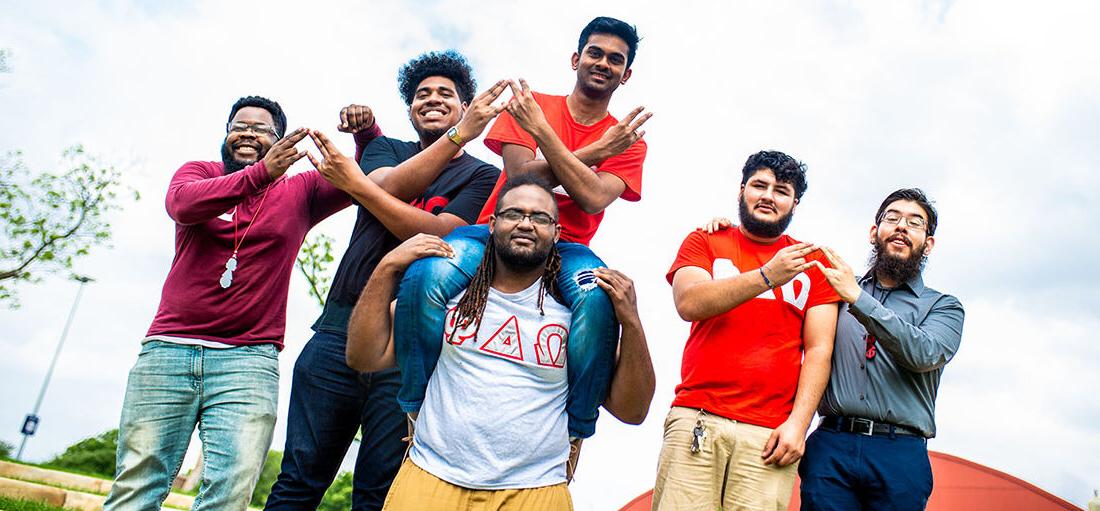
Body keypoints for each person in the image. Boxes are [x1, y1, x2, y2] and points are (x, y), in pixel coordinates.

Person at [394, 16, 652, 450]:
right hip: (495, 230)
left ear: (626, 75)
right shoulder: (532, 105)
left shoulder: (629, 141)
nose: (603, 63)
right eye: (595, 53)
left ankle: (576, 433)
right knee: (425, 276)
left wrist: (547, 137)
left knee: (597, 301)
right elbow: (520, 180)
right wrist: (597, 152)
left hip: (567, 247)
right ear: (576, 59)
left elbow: (591, 198)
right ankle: (414, 406)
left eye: (615, 59)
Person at [265, 51, 506, 510]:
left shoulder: (484, 174)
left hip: (410, 342)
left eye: (446, 94)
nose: (432, 100)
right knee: (297, 482)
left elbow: (447, 239)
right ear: (410, 108)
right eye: (421, 95)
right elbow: (388, 187)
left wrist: (360, 188)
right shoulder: (386, 150)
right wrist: (454, 139)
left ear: (466, 105)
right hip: (336, 332)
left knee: (378, 493)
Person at [346, 175, 654, 510]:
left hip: (533, 490)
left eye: (540, 218)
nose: (526, 224)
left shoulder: (577, 316)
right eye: (513, 214)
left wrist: (631, 321)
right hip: (431, 477)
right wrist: (387, 267)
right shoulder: (447, 299)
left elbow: (633, 411)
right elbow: (363, 356)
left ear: (557, 233)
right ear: (492, 223)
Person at [104, 96, 353, 510]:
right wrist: (259, 174)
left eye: (261, 129)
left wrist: (364, 136)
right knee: (139, 481)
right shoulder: (199, 173)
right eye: (240, 126)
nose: (248, 134)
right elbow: (181, 206)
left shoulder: (301, 191)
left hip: (249, 360)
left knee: (231, 489)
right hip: (168, 349)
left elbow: (361, 181)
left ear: (279, 141)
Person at [653, 150, 841, 510]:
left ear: (794, 204)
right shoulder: (705, 240)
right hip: (698, 416)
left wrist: (799, 426)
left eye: (782, 190)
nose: (769, 195)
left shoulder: (813, 264)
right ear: (742, 191)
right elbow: (689, 303)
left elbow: (820, 350)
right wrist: (768, 275)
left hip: (770, 433)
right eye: (760, 185)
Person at [799, 188, 965, 511]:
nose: (902, 226)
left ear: (928, 244)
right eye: (893, 218)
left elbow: (925, 353)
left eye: (915, 223)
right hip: (832, 446)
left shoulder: (944, 307)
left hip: (900, 452)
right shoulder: (835, 294)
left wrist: (858, 299)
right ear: (875, 233)